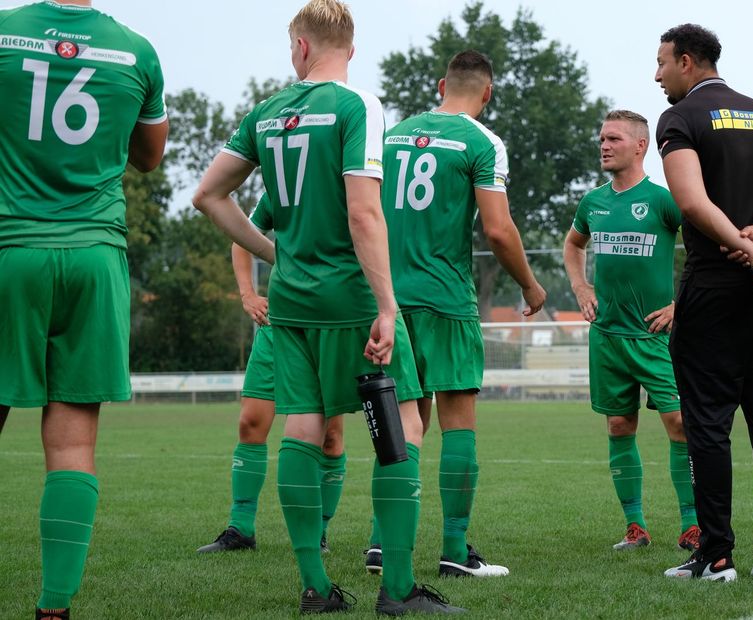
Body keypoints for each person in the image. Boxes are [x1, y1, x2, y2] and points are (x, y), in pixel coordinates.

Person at [191, 0, 462, 614]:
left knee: (303, 427)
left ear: (303, 46)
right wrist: (388, 306)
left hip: (291, 304)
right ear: (350, 47)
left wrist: (274, 255)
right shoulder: (356, 105)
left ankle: (316, 588)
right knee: (404, 430)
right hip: (352, 299)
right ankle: (396, 590)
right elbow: (365, 212)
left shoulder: (265, 112)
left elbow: (208, 195)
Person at [0, 1, 168, 617]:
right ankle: (53, 608)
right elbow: (149, 157)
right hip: (94, 256)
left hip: (10, 248)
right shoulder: (137, 50)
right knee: (71, 448)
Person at [366, 49, 545, 578]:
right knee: (457, 423)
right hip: (446, 300)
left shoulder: (392, 135)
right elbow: (497, 229)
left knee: (401, 425)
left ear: (440, 85)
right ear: (487, 94)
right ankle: (455, 550)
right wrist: (531, 286)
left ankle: (381, 544)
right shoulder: (482, 141)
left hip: (389, 302)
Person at [653, 24, 753, 583]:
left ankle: (716, 555)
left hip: (719, 286)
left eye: (662, 63)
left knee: (708, 422)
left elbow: (692, 203)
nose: (657, 75)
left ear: (689, 61)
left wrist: (749, 255)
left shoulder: (681, 119)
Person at [562, 110, 699, 553]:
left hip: (656, 336)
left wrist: (681, 305)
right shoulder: (593, 202)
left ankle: (693, 525)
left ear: (640, 146)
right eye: (602, 138)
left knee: (679, 423)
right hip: (607, 337)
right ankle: (635, 526)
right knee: (620, 424)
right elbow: (572, 244)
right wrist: (581, 285)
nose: (604, 145)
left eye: (614, 139)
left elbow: (706, 246)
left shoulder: (663, 199)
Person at [196, 194, 349, 555]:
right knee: (251, 423)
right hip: (278, 323)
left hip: (331, 324)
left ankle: (319, 531)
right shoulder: (283, 188)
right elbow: (241, 235)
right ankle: (241, 528)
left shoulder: (353, 183)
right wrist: (248, 293)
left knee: (331, 436)